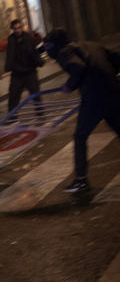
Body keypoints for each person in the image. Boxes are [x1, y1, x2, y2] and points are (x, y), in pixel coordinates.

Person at [42, 28, 120, 193]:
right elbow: (116, 59)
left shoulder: (65, 52)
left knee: (80, 136)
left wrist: (69, 86)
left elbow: (78, 67)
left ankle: (81, 180)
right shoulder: (91, 45)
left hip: (94, 98)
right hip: (113, 92)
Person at [4, 18, 44, 118]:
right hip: (17, 73)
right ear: (12, 29)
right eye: (15, 28)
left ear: (21, 27)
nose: (17, 30)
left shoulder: (28, 37)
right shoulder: (11, 39)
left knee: (36, 95)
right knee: (13, 97)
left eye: (19, 28)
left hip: (30, 71)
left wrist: (39, 61)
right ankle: (12, 118)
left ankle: (40, 116)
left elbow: (33, 51)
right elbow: (6, 51)